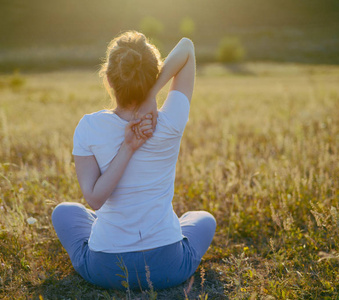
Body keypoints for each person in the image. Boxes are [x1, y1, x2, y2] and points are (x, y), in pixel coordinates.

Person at [52, 31, 216, 290]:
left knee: (64, 211)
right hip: (168, 268)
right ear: (153, 77)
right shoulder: (170, 120)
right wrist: (152, 96)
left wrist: (129, 143)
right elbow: (186, 47)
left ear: (108, 80)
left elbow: (94, 199)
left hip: (107, 270)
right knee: (204, 218)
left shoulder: (88, 127)